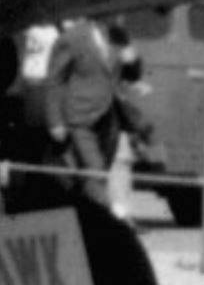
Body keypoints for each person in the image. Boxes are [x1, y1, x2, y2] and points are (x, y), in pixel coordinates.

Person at [44, 12, 139, 210]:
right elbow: (55, 80)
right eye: (116, 12)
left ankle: (84, 210)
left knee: (101, 169)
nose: (120, 17)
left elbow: (132, 75)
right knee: (95, 168)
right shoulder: (73, 37)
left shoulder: (120, 36)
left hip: (109, 116)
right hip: (79, 115)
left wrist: (132, 61)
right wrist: (55, 121)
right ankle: (101, 214)